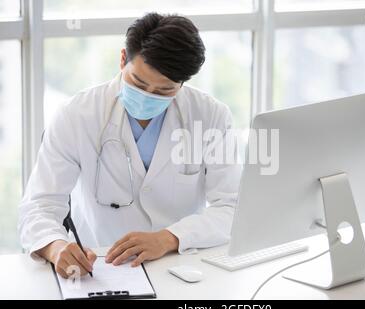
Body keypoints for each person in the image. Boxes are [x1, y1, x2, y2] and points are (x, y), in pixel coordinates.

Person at [18, 13, 241, 278]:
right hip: (102, 267)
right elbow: (39, 206)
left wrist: (170, 238)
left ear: (182, 84)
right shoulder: (76, 115)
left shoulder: (211, 115)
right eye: (138, 83)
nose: (147, 97)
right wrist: (55, 247)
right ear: (123, 59)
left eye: (163, 91)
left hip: (182, 265)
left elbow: (231, 208)